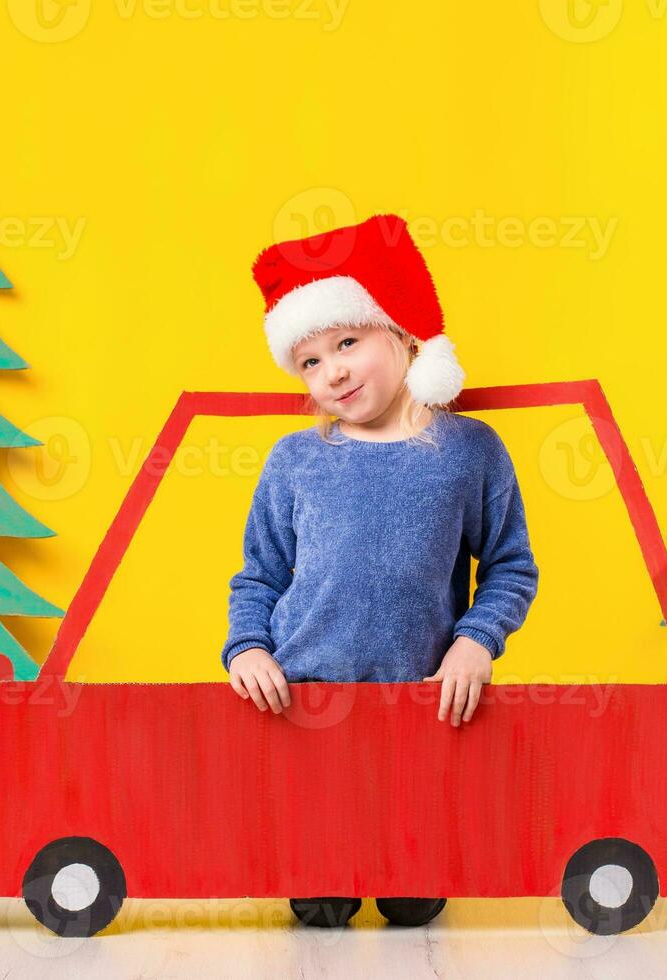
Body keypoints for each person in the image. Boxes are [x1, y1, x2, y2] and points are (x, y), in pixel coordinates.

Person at [220, 213, 540, 930]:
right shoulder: (295, 461)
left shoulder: (469, 451)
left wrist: (475, 642)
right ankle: (327, 874)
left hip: (420, 704)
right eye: (309, 361)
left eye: (346, 342)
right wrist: (247, 648)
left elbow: (511, 567)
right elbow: (258, 577)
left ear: (399, 335)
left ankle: (406, 872)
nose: (331, 370)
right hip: (306, 704)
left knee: (414, 902)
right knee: (321, 903)